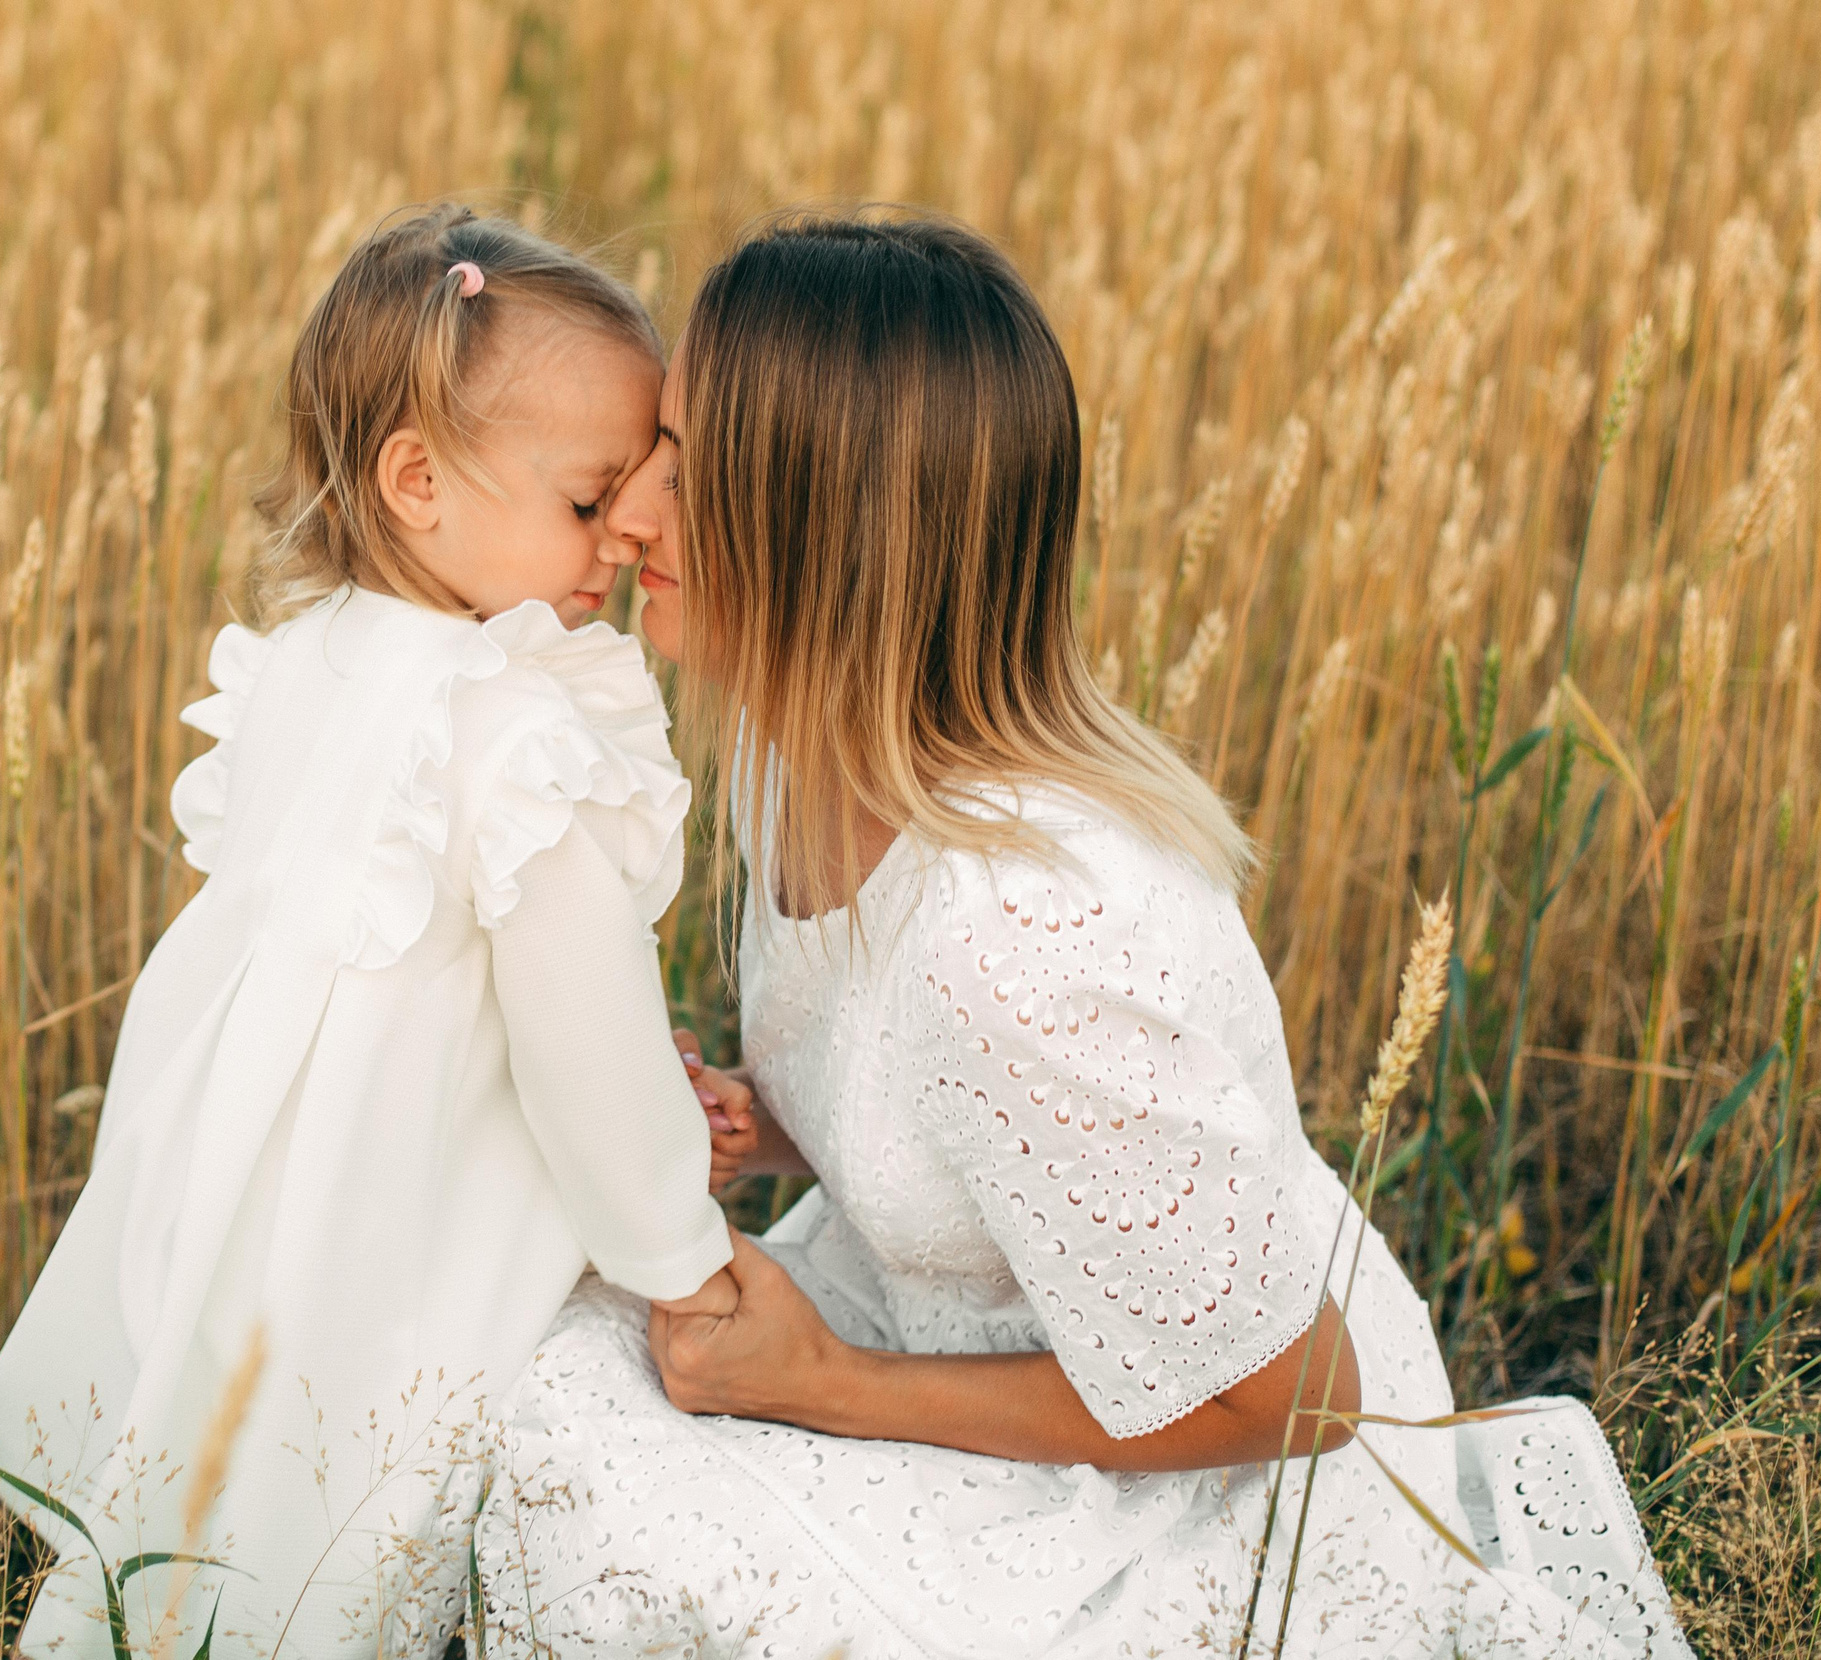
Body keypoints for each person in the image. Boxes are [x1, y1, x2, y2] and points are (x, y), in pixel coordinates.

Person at [478, 213, 1691, 1659]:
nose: (628, 513)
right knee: (529, 1372)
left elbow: (1294, 1397)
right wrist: (764, 1126)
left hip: (1180, 1474)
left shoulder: (1033, 939)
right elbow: (914, 1097)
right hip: (951, 1328)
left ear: (829, 528)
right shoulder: (787, 754)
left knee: (610, 1503)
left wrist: (825, 1383)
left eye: (688, 467)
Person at [0, 203, 746, 1660]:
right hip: (404, 1208)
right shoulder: (514, 724)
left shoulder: (307, 660)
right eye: (588, 503)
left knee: (230, 1480)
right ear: (417, 481)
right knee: (356, 1511)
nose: (624, 545)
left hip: (256, 1183)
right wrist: (681, 1252)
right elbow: (581, 1048)